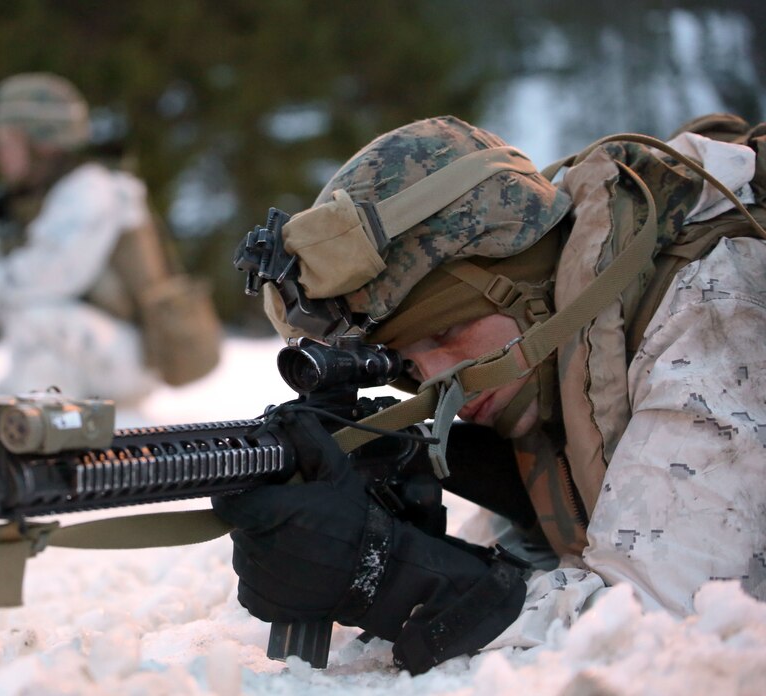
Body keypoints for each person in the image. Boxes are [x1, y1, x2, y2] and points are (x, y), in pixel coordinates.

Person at [214, 114, 766, 673]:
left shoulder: (711, 306)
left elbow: (669, 631)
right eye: (405, 363)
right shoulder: (559, 367)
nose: (434, 379)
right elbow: (562, 566)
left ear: (526, 279)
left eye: (447, 333)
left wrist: (399, 576)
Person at [0, 72, 196, 403]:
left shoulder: (90, 191)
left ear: (43, 143)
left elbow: (41, 279)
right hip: (105, 346)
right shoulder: (56, 193)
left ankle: (38, 412)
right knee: (36, 321)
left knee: (37, 315)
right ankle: (26, 406)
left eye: (6, 143)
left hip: (135, 360)